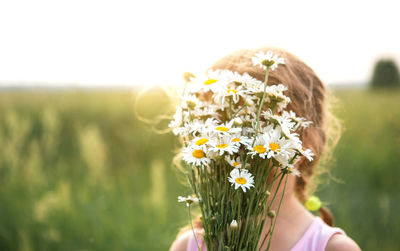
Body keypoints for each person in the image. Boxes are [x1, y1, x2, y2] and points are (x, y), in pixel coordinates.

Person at [169, 47, 361, 251]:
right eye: (218, 132)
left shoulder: (332, 247)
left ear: (303, 145)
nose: (234, 149)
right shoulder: (190, 245)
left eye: (252, 131)